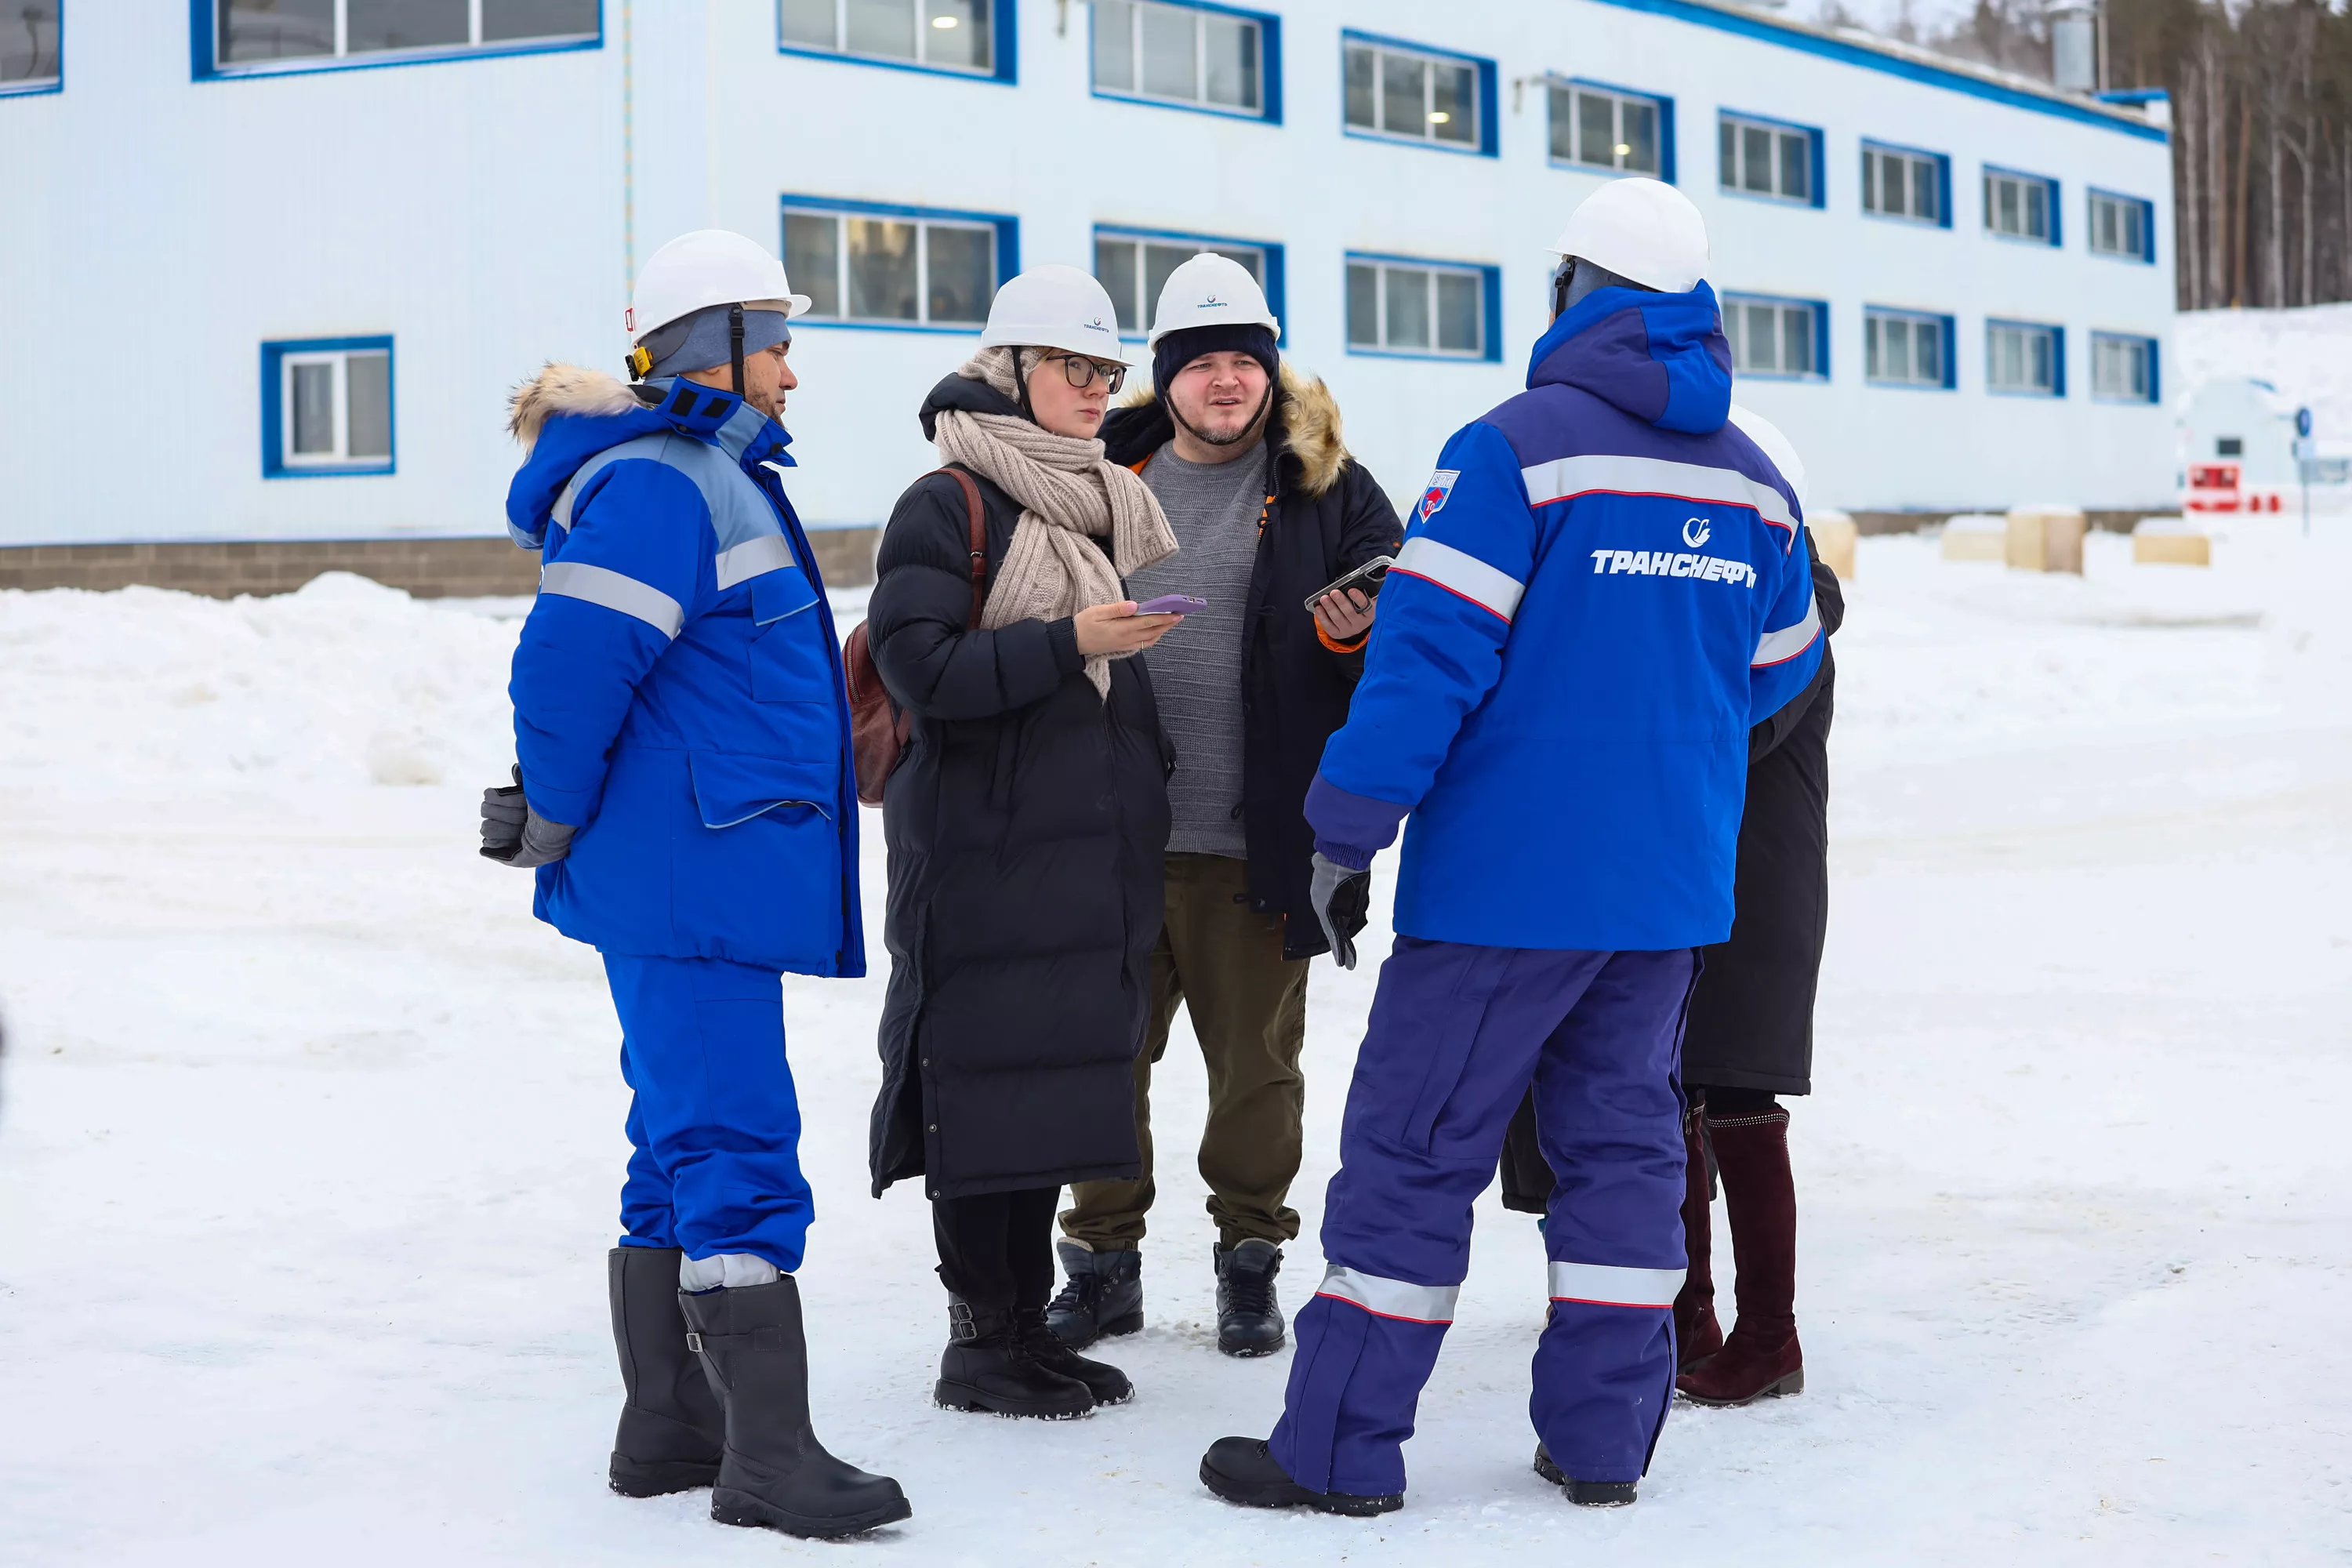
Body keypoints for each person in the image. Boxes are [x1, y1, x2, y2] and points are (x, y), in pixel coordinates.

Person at [1198, 177, 1824, 1516]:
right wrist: (1659, 739)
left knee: (1416, 1153)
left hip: (1503, 894)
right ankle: (1604, 1444)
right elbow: (1778, 674)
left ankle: (1338, 1450)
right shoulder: (1755, 484)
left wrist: (1343, 832)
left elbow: (1419, 667)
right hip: (1662, 902)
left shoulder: (1513, 452)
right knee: (1625, 1160)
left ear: (1573, 294)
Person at [482, 229, 909, 1541]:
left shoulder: (702, 476)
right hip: (689, 873)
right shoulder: (668, 483)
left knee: (675, 1139)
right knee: (733, 1142)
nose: (792, 369)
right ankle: (768, 1459)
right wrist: (550, 812)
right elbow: (567, 666)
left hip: (698, 863)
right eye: (775, 341)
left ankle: (671, 1423)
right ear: (714, 348)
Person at [1047, 254, 1404, 1359]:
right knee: (1099, 1056)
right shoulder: (1100, 471)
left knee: (1256, 1074)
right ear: (1166, 376)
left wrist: (1354, 631)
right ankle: (1102, 1263)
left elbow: (1406, 637)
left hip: (1257, 843)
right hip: (1111, 837)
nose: (1226, 383)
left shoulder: (1327, 486)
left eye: (1244, 363)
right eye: (1202, 364)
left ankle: (1250, 1264)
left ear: (1269, 373)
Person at [862, 266, 1181, 1421]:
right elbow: (923, 672)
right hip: (985, 860)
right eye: (1075, 369)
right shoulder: (944, 502)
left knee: (1044, 1101)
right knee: (982, 1095)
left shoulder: (1090, 500)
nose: (1099, 390)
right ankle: (979, 1342)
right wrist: (1069, 640)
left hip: (1075, 860)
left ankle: (1023, 1334)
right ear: (1012, 374)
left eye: (1108, 372)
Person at [1495, 405, 1842, 1410]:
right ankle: (1685, 1316)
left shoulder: (1793, 611)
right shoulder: (1714, 595)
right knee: (1669, 1102)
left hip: (1751, 892)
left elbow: (1726, 732)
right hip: (1681, 879)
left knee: (1736, 1104)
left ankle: (1768, 1335)